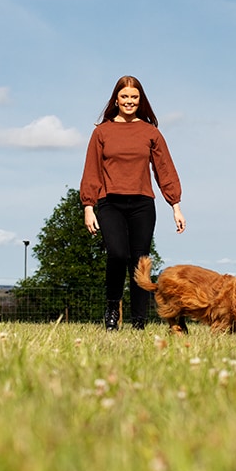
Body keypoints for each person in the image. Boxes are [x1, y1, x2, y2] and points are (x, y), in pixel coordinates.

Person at [80, 75, 186, 330]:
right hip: (109, 202)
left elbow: (165, 169)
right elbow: (91, 170)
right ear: (116, 99)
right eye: (124, 96)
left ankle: (139, 320)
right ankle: (112, 310)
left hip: (142, 203)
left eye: (134, 97)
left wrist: (176, 206)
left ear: (141, 100)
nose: (129, 101)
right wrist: (88, 206)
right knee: (117, 254)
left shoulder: (150, 132)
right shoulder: (101, 132)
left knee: (140, 260)